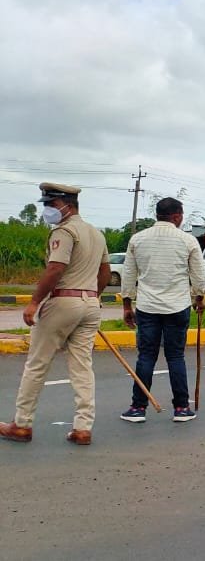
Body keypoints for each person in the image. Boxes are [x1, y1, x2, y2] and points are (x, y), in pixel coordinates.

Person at [1, 183, 109, 446]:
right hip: (90, 304)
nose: (47, 209)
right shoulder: (96, 233)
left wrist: (34, 302)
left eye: (50, 204)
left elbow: (55, 268)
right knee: (83, 367)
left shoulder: (65, 231)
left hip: (63, 303)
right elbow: (104, 272)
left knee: (37, 365)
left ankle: (22, 424)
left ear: (66, 205)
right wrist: (92, 295)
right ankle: (83, 428)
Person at [119, 197, 205, 424]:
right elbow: (199, 276)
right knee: (175, 356)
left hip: (147, 307)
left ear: (157, 215)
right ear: (177, 216)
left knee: (146, 356)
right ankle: (181, 408)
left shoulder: (137, 240)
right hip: (178, 306)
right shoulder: (187, 241)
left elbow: (128, 275)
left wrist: (127, 305)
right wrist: (199, 298)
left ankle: (138, 407)